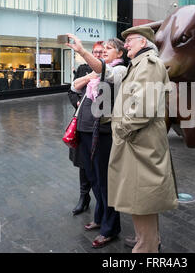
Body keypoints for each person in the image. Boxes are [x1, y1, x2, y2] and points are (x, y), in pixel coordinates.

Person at [107, 26, 178, 253]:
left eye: (130, 41)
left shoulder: (149, 64)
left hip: (139, 143)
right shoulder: (140, 64)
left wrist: (122, 129)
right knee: (141, 199)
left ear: (144, 43)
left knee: (141, 200)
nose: (125, 44)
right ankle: (148, 241)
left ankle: (145, 248)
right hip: (139, 141)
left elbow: (143, 108)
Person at [68, 35, 129, 248]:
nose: (103, 51)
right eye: (102, 49)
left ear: (120, 53)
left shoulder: (120, 70)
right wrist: (90, 76)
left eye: (109, 49)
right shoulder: (96, 73)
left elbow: (106, 71)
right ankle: (100, 217)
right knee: (93, 179)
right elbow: (74, 87)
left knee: (105, 183)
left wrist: (83, 52)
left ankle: (110, 228)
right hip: (85, 130)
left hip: (103, 133)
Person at [68, 42, 104, 216]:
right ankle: (84, 197)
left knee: (99, 163)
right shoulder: (83, 68)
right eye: (95, 52)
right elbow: (72, 91)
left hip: (100, 124)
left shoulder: (109, 70)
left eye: (101, 52)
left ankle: (102, 200)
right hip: (82, 122)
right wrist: (77, 102)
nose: (97, 54)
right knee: (83, 163)